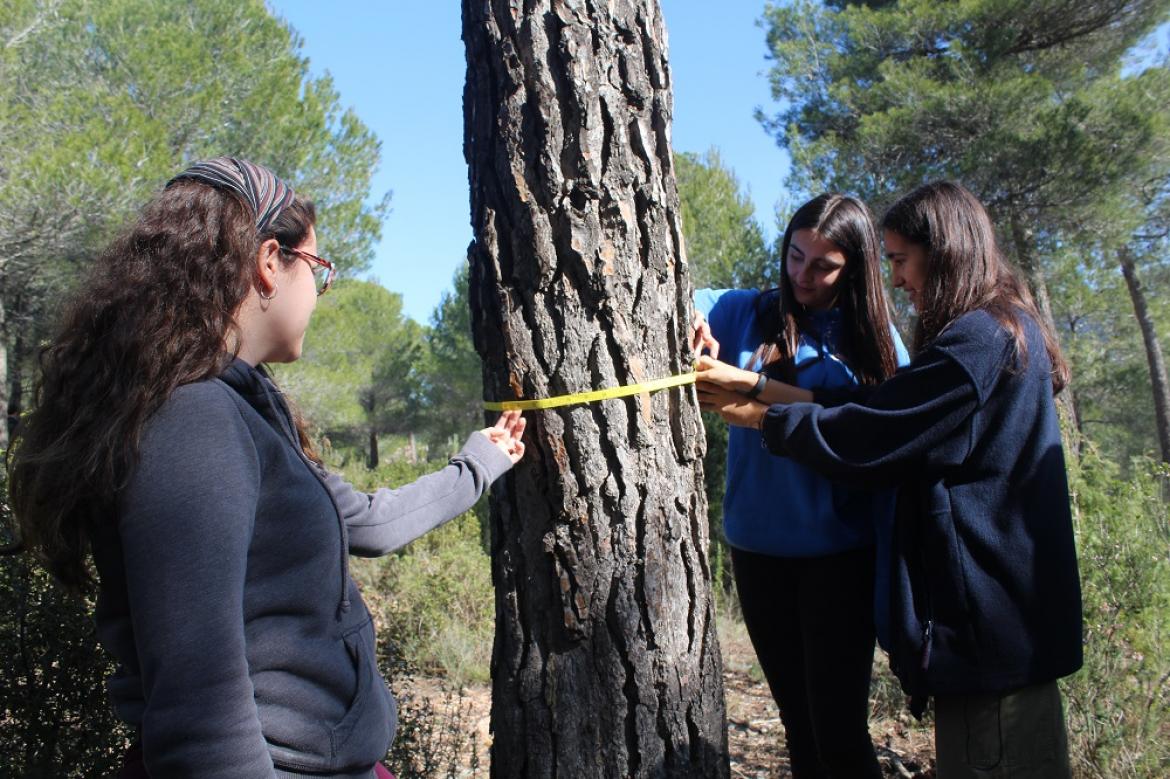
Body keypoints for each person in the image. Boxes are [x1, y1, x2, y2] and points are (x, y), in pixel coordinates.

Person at [7, 157, 526, 778]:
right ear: (268, 263)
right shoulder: (193, 422)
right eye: (319, 269)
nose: (321, 291)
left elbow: (366, 523)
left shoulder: (243, 411)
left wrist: (479, 462)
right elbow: (200, 716)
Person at [696, 181, 1082, 778]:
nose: (899, 277)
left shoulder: (973, 343)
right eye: (795, 256)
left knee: (862, 738)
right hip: (988, 619)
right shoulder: (999, 331)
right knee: (812, 732)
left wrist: (763, 410)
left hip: (980, 616)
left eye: (900, 259)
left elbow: (873, 430)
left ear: (944, 252)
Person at [690, 193, 909, 778]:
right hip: (757, 553)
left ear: (855, 268)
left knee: (838, 731)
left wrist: (757, 388)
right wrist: (688, 322)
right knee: (798, 725)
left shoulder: (877, 345)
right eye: (794, 256)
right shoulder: (742, 312)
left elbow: (885, 427)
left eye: (822, 265)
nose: (802, 275)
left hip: (840, 559)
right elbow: (669, 291)